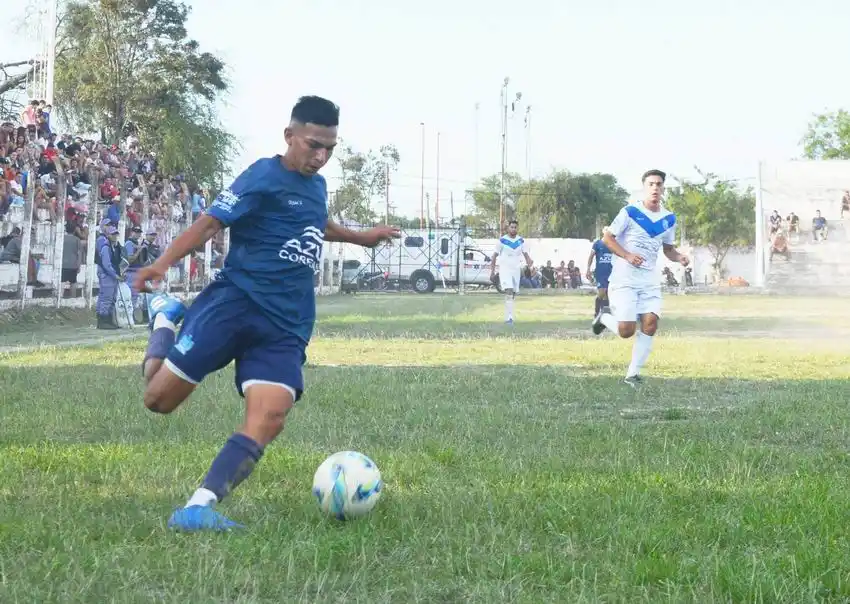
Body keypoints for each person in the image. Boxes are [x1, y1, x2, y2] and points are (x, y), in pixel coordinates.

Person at [132, 96, 399, 532]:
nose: (322, 156)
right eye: (314, 144)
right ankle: (164, 319)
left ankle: (198, 507)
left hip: (286, 323)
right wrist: (162, 264)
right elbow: (210, 223)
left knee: (271, 417)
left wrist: (360, 237)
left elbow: (317, 221)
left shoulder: (316, 185)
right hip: (233, 305)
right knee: (157, 400)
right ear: (289, 135)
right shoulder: (261, 175)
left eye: (330, 147)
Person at [591, 169, 689, 387]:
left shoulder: (668, 218)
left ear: (663, 188)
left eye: (659, 184)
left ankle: (632, 374)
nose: (655, 188)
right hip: (624, 278)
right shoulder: (630, 211)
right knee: (626, 331)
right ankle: (604, 317)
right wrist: (626, 255)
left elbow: (668, 249)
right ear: (644, 187)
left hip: (649, 279)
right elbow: (607, 238)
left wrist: (679, 257)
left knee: (651, 323)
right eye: (651, 184)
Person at [489, 219, 532, 324]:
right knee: (508, 290)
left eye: (515, 227)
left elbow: (526, 256)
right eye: (511, 227)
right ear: (508, 228)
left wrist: (530, 265)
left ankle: (509, 315)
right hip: (505, 270)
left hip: (516, 270)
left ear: (517, 228)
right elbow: (494, 256)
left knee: (512, 293)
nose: (513, 229)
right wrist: (492, 271)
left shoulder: (521, 241)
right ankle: (509, 318)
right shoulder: (502, 240)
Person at [586, 229, 613, 317]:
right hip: (601, 273)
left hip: (611, 273)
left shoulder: (613, 244)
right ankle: (597, 313)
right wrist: (588, 269)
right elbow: (591, 257)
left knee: (608, 294)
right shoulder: (597, 244)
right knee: (602, 292)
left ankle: (605, 315)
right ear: (603, 233)